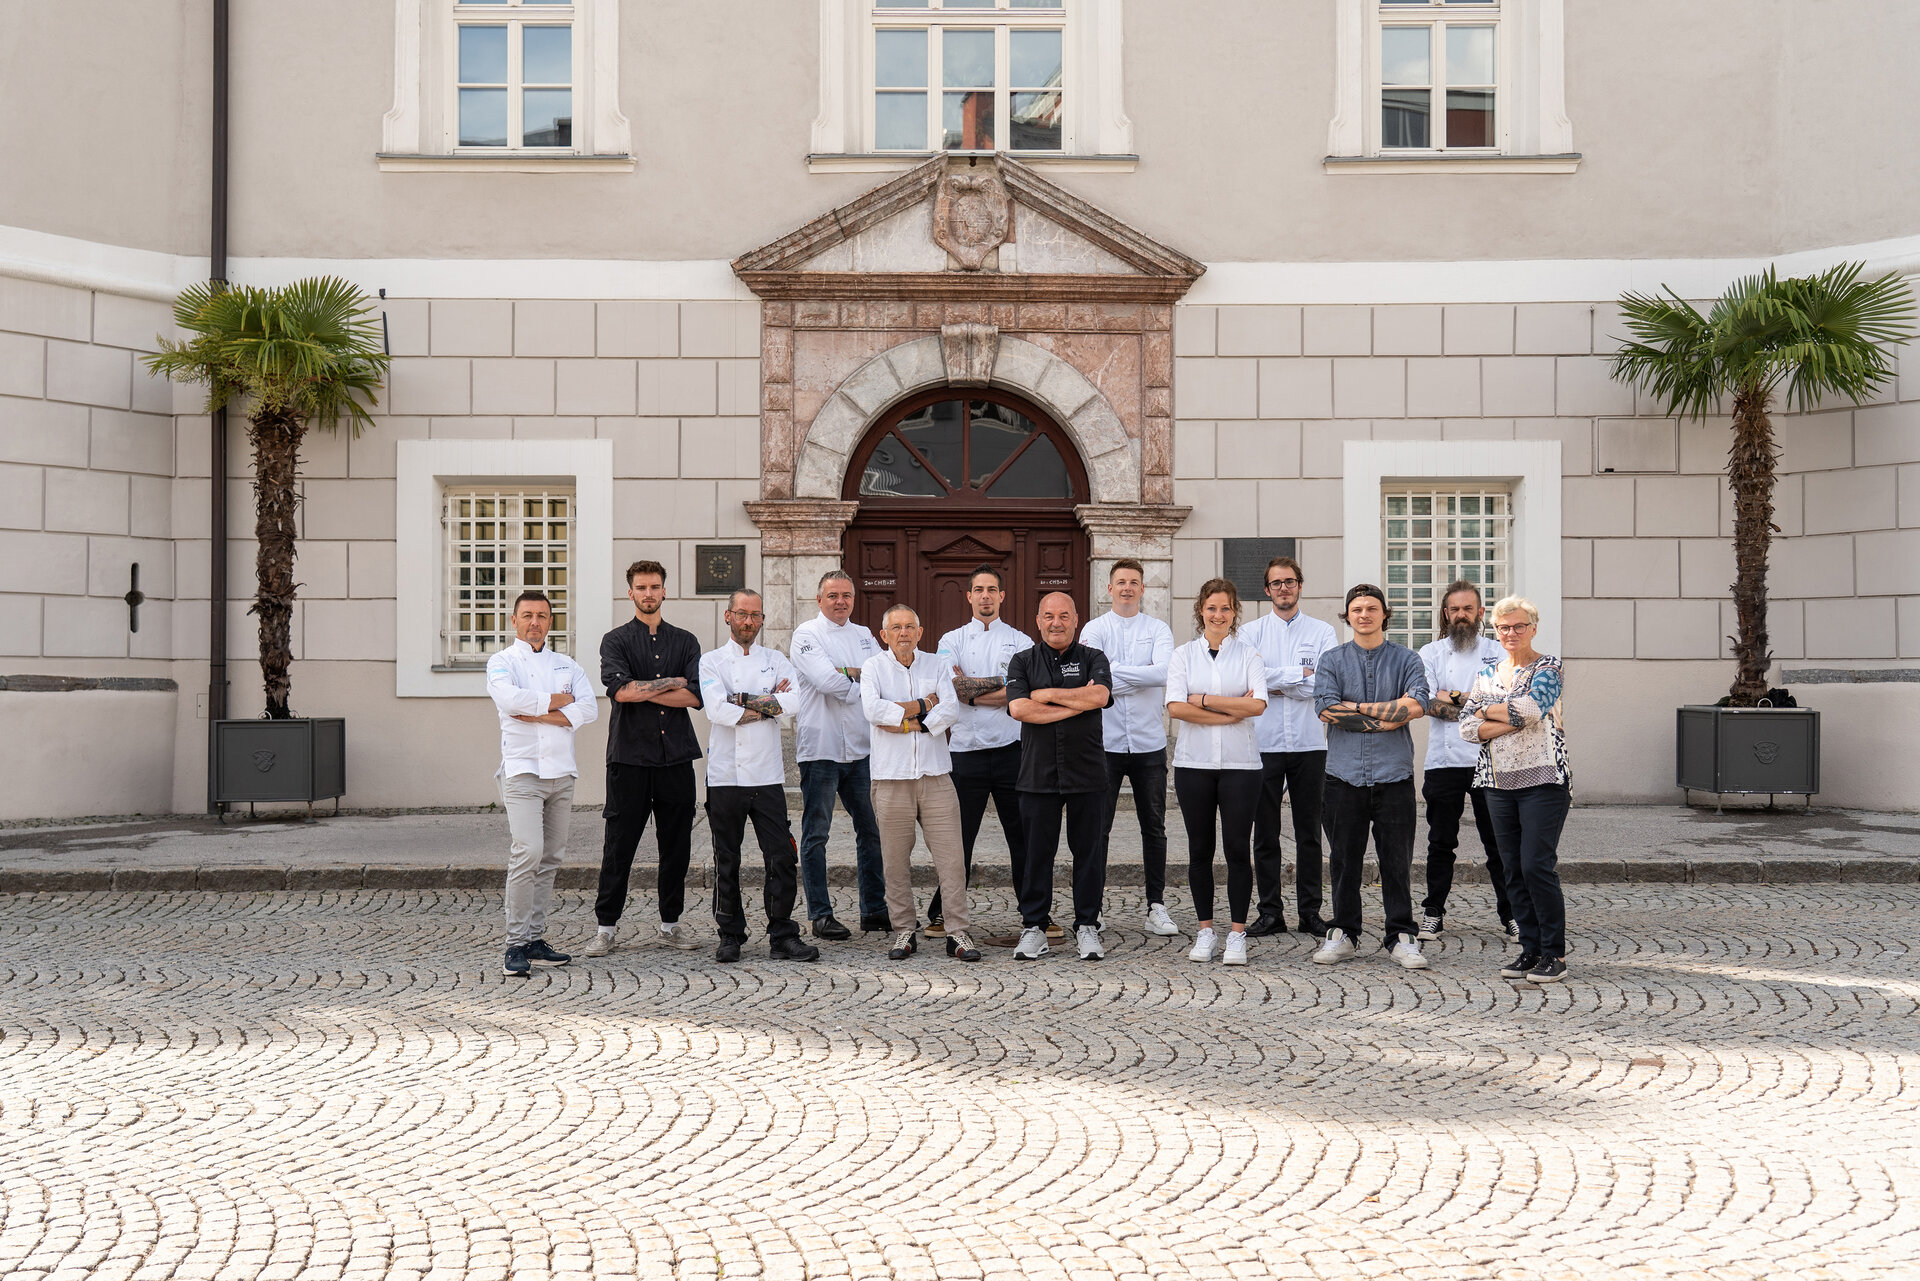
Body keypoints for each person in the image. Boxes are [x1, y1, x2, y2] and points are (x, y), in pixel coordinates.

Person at [1311, 584, 1432, 970]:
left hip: (1393, 775)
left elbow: (1416, 706)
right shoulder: (1331, 659)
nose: (1364, 614)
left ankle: (1401, 935)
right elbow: (1327, 709)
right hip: (1342, 777)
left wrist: (1357, 708)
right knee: (1343, 860)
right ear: (1348, 616)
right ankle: (1344, 932)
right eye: (1357, 609)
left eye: (1371, 608)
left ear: (1384, 613)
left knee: (1396, 861)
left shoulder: (1408, 659)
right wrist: (1383, 715)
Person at [587, 560, 704, 958]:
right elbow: (620, 692)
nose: (649, 593)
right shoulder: (614, 640)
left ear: (664, 591)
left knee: (677, 846)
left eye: (655, 586)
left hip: (676, 759)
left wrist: (644, 688)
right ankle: (606, 929)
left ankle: (669, 926)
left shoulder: (686, 641)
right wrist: (672, 682)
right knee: (619, 846)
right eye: (642, 587)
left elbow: (695, 697)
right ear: (630, 592)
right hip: (629, 759)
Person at [697, 590, 820, 964]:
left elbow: (795, 702)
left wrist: (742, 700)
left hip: (767, 776)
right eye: (741, 614)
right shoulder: (711, 661)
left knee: (781, 856)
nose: (748, 621)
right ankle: (730, 934)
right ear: (728, 616)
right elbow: (716, 711)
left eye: (755, 615)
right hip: (725, 776)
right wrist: (768, 703)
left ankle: (782, 933)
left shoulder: (776, 659)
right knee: (727, 859)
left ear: (762, 619)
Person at [485, 590, 599, 978]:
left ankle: (535, 939)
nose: (535, 622)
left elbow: (588, 708)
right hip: (522, 773)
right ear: (514, 620)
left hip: (562, 773)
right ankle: (514, 944)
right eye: (528, 615)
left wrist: (539, 713)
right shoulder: (501, 662)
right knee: (528, 852)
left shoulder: (567, 664)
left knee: (550, 858)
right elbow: (509, 700)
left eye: (543, 616)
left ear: (551, 621)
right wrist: (557, 702)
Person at [1461, 596, 1572, 984]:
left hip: (1544, 780)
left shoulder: (1549, 666)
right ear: (1495, 630)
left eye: (1519, 626)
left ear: (1533, 628)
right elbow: (1465, 726)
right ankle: (1530, 949)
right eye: (1504, 627)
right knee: (1511, 869)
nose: (1511, 633)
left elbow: (1531, 710)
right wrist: (1505, 715)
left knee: (1535, 866)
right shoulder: (1488, 671)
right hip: (1496, 782)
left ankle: (1553, 953)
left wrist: (1485, 710)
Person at [861, 604, 980, 963]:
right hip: (891, 777)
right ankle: (903, 932)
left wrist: (914, 721)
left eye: (909, 626)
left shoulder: (937, 664)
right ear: (884, 635)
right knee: (895, 862)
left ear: (920, 632)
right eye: (895, 627)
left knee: (952, 859)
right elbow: (873, 711)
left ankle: (957, 932)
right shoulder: (873, 667)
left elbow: (951, 709)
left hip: (936, 775)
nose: (903, 633)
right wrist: (923, 706)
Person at [1165, 579, 1268, 966]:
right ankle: (1206, 930)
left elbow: (1257, 705)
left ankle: (1237, 934)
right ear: (1201, 611)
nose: (1218, 615)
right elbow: (1176, 708)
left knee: (1238, 850)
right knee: (1199, 851)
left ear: (1234, 612)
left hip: (1242, 765)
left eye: (1225, 608)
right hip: (1194, 765)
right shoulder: (1183, 655)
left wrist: (1204, 701)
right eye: (1211, 608)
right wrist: (1231, 710)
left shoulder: (1248, 655)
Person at [1006, 592, 1114, 962]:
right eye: (1049, 616)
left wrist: (1048, 696)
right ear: (1038, 620)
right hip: (1037, 773)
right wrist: (1074, 702)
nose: (1056, 622)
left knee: (1089, 853)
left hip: (1087, 771)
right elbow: (1020, 708)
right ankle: (1034, 927)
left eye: (1064, 616)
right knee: (1037, 854)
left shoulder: (1094, 658)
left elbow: (1099, 696)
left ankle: (1087, 926)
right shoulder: (1022, 661)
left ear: (1076, 619)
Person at [930, 564, 1034, 940]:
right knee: (957, 838)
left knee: (1022, 836)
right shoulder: (951, 639)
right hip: (965, 752)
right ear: (969, 596)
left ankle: (1033, 912)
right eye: (979, 590)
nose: (986, 596)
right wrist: (999, 687)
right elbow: (953, 686)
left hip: (1011, 749)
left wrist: (975, 691)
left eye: (992, 589)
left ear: (1002, 596)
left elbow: (1024, 689)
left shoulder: (1021, 641)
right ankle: (943, 912)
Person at [1239, 555, 1338, 939]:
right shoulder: (1250, 633)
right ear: (1267, 590)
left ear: (1299, 585)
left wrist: (1274, 682)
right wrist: (1299, 676)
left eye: (1290, 581)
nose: (1284, 588)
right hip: (1263, 743)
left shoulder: (1323, 631)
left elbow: (1326, 685)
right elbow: (1250, 681)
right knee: (1264, 833)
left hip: (1310, 743)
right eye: (1277, 583)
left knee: (1309, 833)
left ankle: (1310, 912)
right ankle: (1270, 912)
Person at [1080, 559, 1178, 937]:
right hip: (1103, 744)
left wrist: (1113, 675)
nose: (1126, 588)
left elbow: (1165, 673)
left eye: (1133, 582)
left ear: (1142, 589)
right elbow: (1093, 683)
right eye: (1120, 582)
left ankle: (1156, 905)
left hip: (1149, 743)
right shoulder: (1094, 629)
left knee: (1153, 827)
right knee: (1097, 828)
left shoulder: (1158, 628)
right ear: (1109, 589)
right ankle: (1095, 906)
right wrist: (1139, 675)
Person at [788, 569, 888, 939]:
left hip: (862, 749)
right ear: (819, 600)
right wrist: (861, 679)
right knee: (817, 834)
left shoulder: (863, 635)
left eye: (846, 595)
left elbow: (884, 675)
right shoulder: (806, 635)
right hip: (821, 748)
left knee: (872, 831)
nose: (840, 601)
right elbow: (826, 682)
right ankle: (821, 914)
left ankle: (874, 910)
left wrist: (848, 673)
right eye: (832, 596)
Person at [1417, 580, 1515, 944]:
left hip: (1492, 760)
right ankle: (1432, 913)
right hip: (1444, 761)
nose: (1461, 615)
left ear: (1481, 614)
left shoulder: (1499, 652)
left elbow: (1508, 705)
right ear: (1446, 613)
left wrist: (1455, 697)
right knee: (1441, 842)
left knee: (1499, 843)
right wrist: (1479, 704)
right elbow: (1428, 703)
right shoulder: (1430, 652)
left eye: (1468, 609)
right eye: (1454, 609)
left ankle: (1512, 914)